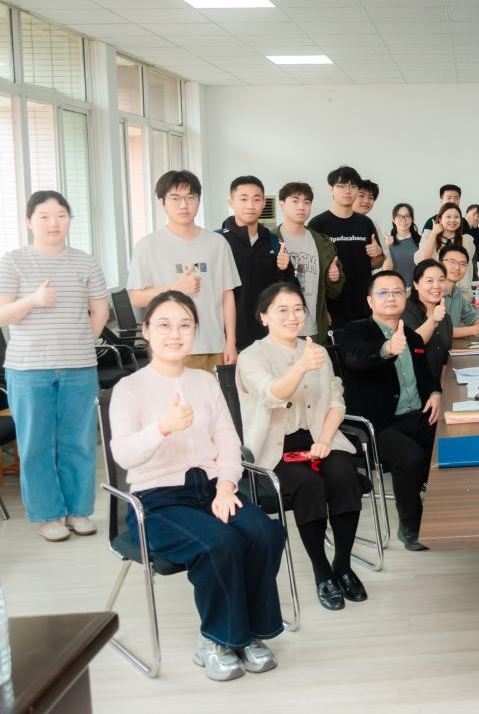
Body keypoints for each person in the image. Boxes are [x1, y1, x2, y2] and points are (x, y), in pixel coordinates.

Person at [109, 291, 285, 680]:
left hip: (212, 488)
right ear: (146, 331)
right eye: (164, 325)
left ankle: (250, 633)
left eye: (184, 325)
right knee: (219, 543)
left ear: (195, 332)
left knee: (264, 532)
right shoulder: (129, 389)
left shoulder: (205, 382)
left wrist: (226, 486)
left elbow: (228, 441)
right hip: (157, 500)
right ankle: (217, 639)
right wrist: (161, 427)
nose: (175, 334)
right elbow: (124, 455)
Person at [236, 283, 366, 611]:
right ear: (263, 316)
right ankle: (322, 572)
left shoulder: (316, 351)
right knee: (309, 485)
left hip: (320, 438)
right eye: (282, 310)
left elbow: (336, 400)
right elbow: (272, 395)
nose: (293, 316)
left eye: (297, 309)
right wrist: (301, 366)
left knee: (345, 476)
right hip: (275, 448)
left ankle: (343, 565)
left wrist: (324, 440)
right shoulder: (251, 357)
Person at [0, 190, 108, 541]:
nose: (54, 223)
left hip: (79, 367)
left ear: (69, 220)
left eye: (61, 215)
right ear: (29, 221)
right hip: (28, 369)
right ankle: (47, 516)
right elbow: (2, 314)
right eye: (44, 216)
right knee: (36, 445)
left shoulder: (85, 261)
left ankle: (79, 512)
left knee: (79, 442)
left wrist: (82, 342)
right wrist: (33, 299)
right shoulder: (13, 261)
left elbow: (100, 309)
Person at [340, 271, 443, 553]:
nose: (391, 297)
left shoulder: (412, 336)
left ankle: (444, 510)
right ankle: (411, 525)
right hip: (376, 424)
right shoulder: (356, 331)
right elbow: (354, 358)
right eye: (383, 293)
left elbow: (427, 377)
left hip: (416, 416)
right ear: (370, 301)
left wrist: (435, 393)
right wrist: (386, 348)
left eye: (397, 292)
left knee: (451, 442)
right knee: (411, 457)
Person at [128, 170, 240, 371]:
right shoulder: (148, 245)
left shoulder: (217, 243)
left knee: (215, 393)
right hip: (170, 347)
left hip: (214, 345)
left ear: (198, 200)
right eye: (175, 198)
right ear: (162, 202)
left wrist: (230, 341)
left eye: (190, 197)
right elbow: (136, 298)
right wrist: (176, 288)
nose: (183, 205)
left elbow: (227, 295)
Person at [220, 176, 296, 352]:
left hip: (269, 336)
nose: (250, 205)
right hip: (229, 339)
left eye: (256, 199)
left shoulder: (274, 241)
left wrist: (284, 269)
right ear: (231, 203)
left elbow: (289, 289)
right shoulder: (219, 240)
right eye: (243, 199)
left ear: (263, 203)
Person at [307, 166, 384, 328]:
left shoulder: (365, 223)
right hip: (333, 308)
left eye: (353, 186)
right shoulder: (317, 224)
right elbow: (312, 272)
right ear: (331, 189)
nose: (347, 191)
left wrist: (378, 255)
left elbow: (375, 264)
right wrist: (322, 308)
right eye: (341, 186)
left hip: (364, 306)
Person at [275, 182, 345, 345]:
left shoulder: (322, 242)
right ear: (282, 204)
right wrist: (278, 269)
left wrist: (333, 279)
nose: (302, 207)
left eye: (307, 202)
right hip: (280, 329)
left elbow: (334, 292)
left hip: (314, 328)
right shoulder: (270, 241)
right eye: (295, 201)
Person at [418, 243, 479, 338]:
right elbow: (438, 330)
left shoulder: (457, 292)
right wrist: (475, 329)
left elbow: (470, 316)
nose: (457, 268)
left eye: (462, 264)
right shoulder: (433, 293)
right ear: (440, 264)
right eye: (452, 262)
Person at [405, 259, 454, 387]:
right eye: (430, 281)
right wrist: (433, 320)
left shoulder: (445, 317)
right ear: (416, 284)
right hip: (414, 390)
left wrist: (443, 391)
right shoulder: (405, 311)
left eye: (441, 280)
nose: (436, 286)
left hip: (437, 390)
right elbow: (415, 342)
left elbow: (445, 361)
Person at [417, 202, 478, 290]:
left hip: (461, 292)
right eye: (448, 217)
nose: (452, 220)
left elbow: (464, 265)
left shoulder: (466, 241)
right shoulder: (429, 237)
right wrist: (434, 233)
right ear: (440, 219)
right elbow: (423, 260)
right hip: (436, 291)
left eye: (456, 217)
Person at [387, 203, 422, 288]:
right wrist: (386, 247)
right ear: (393, 220)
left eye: (407, 216)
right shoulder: (388, 242)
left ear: (412, 219)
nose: (403, 220)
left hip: (417, 289)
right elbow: (386, 270)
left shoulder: (420, 241)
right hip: (395, 288)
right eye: (399, 216)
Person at [464, 203, 479, 282]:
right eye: (474, 214)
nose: (476, 218)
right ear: (466, 214)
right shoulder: (458, 225)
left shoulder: (476, 231)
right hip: (460, 276)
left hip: (473, 276)